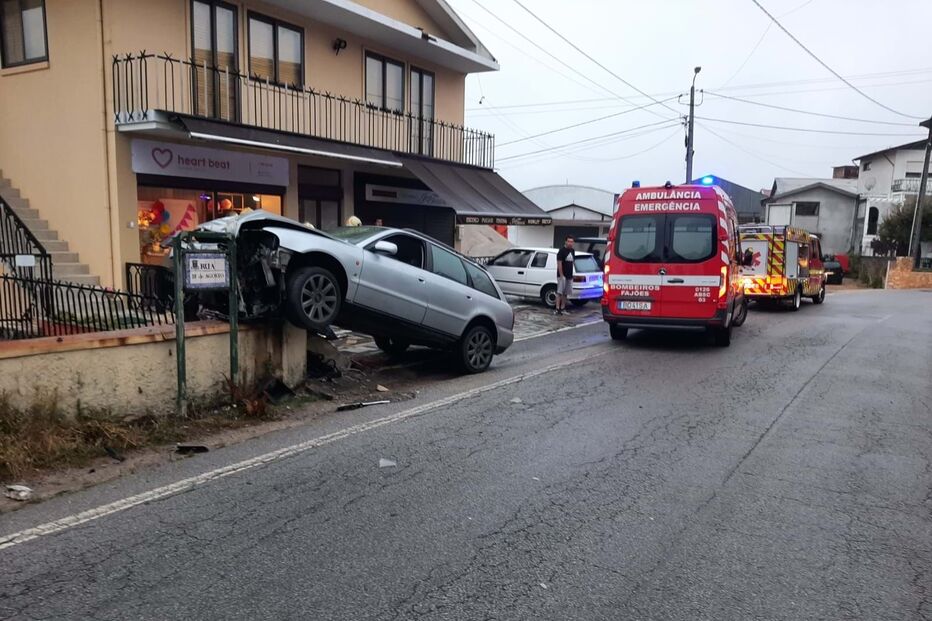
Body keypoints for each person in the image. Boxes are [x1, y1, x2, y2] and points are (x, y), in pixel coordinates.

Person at [555, 236, 575, 315]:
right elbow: (559, 264)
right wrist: (561, 275)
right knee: (559, 292)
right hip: (562, 276)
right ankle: (557, 309)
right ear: (565, 242)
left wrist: (572, 274)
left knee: (565, 293)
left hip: (569, 275)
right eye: (569, 241)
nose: (570, 243)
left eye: (572, 242)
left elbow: (572, 262)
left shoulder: (573, 251)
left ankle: (563, 308)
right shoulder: (561, 251)